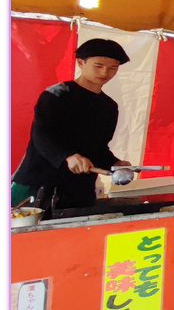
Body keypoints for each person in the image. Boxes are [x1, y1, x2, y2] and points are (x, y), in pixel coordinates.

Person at [12, 38, 132, 212]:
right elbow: (42, 135)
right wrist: (67, 156)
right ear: (81, 63)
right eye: (98, 66)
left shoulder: (109, 106)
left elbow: (98, 148)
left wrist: (116, 164)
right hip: (37, 184)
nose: (105, 72)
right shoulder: (57, 94)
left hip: (79, 189)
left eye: (112, 68)